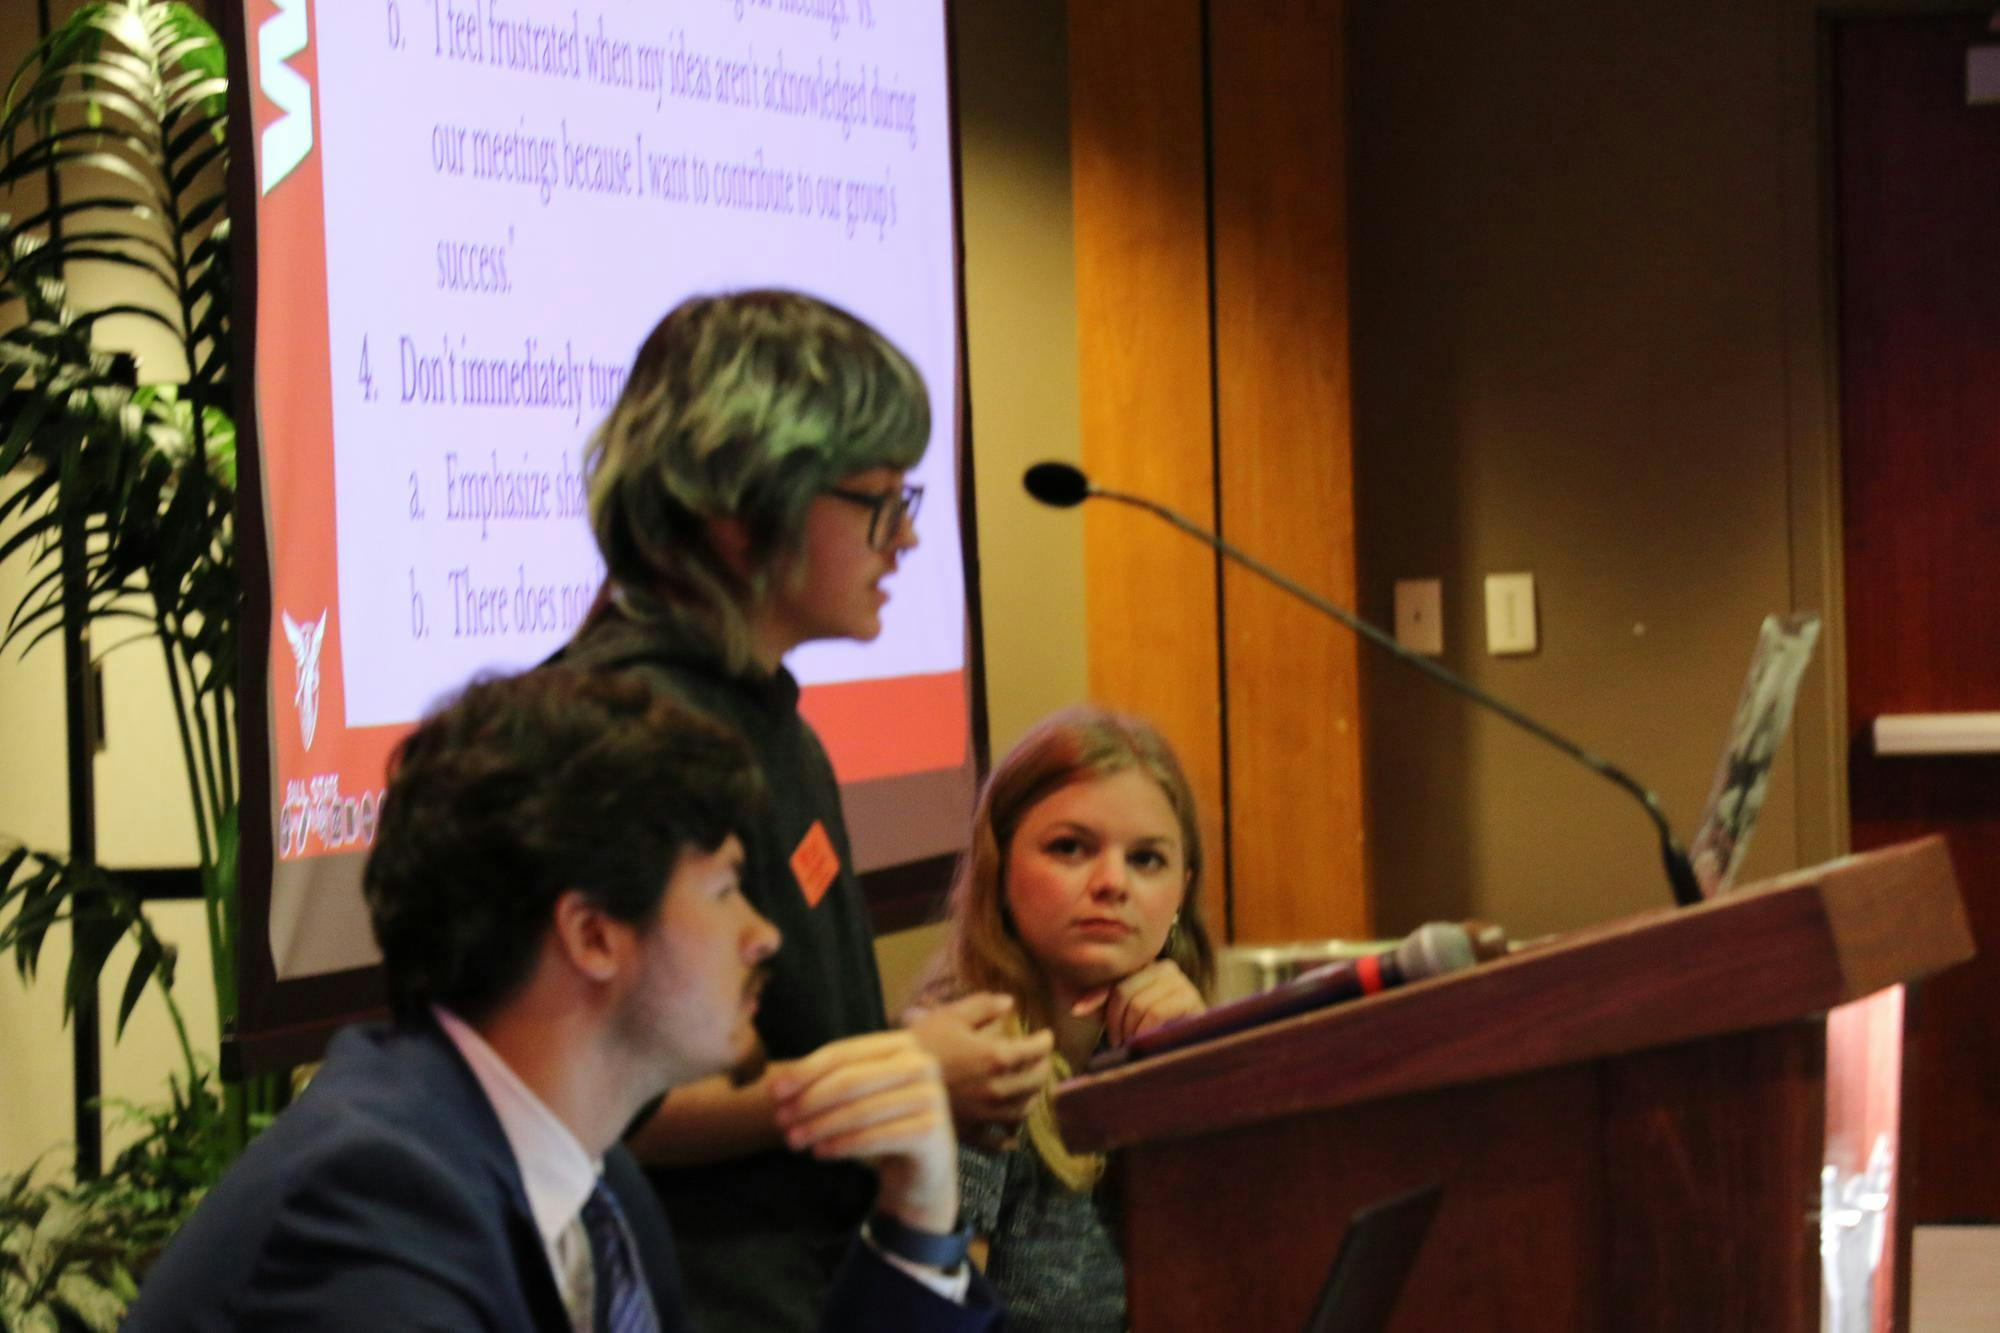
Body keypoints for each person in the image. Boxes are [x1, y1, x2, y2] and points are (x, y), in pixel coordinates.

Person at [126, 669, 1001, 1331]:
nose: (764, 934)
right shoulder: (371, 1212)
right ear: (591, 935)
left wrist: (916, 1219)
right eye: (727, 887)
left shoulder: (592, 1179)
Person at [563, 289, 1051, 1330]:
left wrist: (912, 1058)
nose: (907, 537)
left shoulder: (772, 718)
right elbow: (609, 1111)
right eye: (878, 500)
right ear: (745, 509)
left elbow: (782, 1038)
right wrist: (901, 1072)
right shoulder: (626, 732)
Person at [916, 706, 1217, 1333]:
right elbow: (933, 1313)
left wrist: (1192, 1080)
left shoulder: (1175, 1040)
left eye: (1147, 860)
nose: (1112, 883)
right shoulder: (966, 1060)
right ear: (1000, 871)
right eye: (1071, 848)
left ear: (1181, 891)